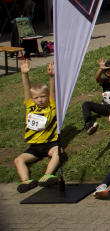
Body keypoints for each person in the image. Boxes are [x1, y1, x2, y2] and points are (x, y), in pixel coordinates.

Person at [14, 60, 60, 192]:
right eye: (36, 97)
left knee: (58, 152)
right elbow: (26, 88)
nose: (40, 100)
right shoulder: (30, 105)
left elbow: (52, 89)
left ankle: (47, 175)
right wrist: (24, 74)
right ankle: (26, 181)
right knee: (18, 160)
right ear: (32, 99)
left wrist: (52, 76)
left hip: (50, 143)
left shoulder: (51, 105)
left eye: (42, 97)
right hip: (34, 146)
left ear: (47, 97)